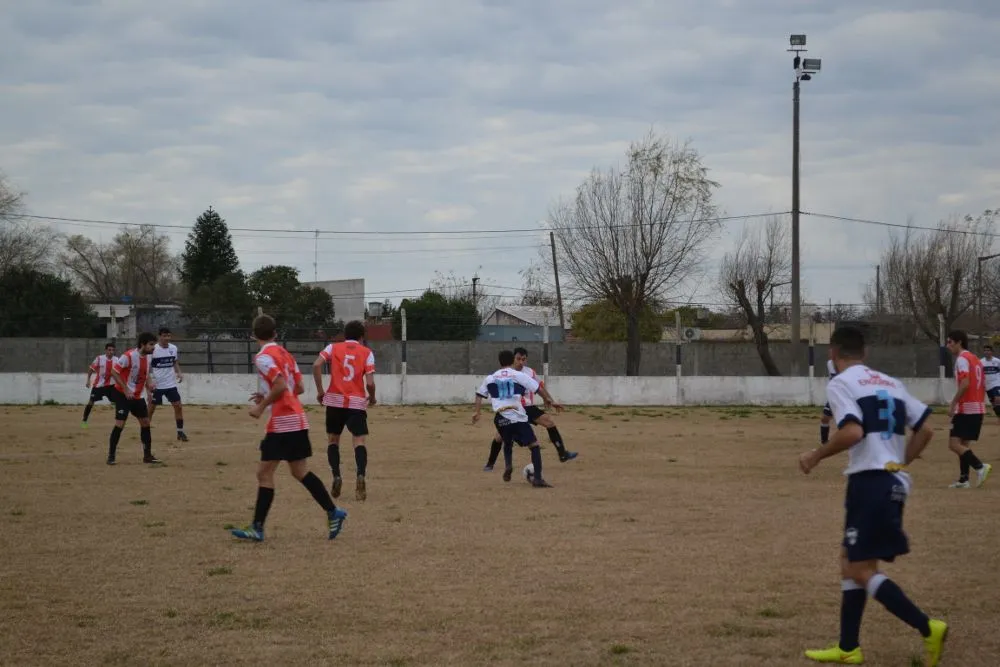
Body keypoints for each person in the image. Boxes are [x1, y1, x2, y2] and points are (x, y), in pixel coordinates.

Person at [799, 326, 948, 666]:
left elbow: (852, 431)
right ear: (864, 353)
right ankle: (848, 647)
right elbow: (926, 428)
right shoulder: (891, 383)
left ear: (832, 353)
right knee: (850, 560)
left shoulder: (841, 383)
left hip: (869, 482)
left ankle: (928, 627)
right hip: (891, 481)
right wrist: (901, 461)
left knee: (859, 567)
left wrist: (816, 455)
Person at [230, 314, 347, 542]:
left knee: (264, 473)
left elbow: (281, 386)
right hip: (297, 418)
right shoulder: (285, 354)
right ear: (275, 333)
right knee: (299, 471)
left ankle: (257, 528)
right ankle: (333, 512)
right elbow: (298, 387)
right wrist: (268, 394)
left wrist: (261, 406)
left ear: (253, 335)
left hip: (283, 422)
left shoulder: (263, 357)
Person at [311, 320, 376, 501]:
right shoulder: (367, 353)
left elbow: (316, 365)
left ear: (345, 335)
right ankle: (360, 475)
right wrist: (372, 397)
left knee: (333, 440)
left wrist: (320, 392)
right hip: (356, 402)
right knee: (359, 441)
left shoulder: (333, 347)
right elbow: (370, 383)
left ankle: (336, 475)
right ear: (361, 336)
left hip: (334, 400)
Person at [483, 346, 574, 471]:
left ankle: (562, 454)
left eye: (524, 359)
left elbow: (540, 387)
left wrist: (550, 400)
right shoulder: (505, 373)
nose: (521, 362)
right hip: (513, 409)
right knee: (499, 436)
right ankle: (490, 463)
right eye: (518, 359)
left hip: (528, 407)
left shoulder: (530, 372)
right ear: (512, 359)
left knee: (549, 422)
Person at [473, 349, 552, 488]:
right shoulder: (518, 375)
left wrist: (477, 412)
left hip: (500, 417)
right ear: (512, 361)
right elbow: (537, 388)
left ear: (499, 362)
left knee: (507, 441)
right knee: (534, 445)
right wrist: (547, 398)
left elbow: (479, 394)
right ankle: (538, 479)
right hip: (517, 415)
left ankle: (508, 465)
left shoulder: (491, 378)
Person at [944, 330, 993, 489]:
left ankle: (980, 466)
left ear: (959, 342)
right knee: (963, 444)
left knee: (953, 444)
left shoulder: (962, 359)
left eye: (950, 342)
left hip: (967, 408)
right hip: (977, 407)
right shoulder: (975, 359)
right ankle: (963, 479)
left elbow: (965, 383)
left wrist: (953, 403)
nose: (948, 345)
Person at [107, 333, 161, 465]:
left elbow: (146, 375)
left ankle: (147, 456)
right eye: (151, 344)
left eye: (154, 344)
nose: (153, 347)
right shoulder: (129, 355)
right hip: (122, 395)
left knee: (146, 422)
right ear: (143, 344)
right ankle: (111, 456)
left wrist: (149, 386)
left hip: (137, 396)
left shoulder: (148, 358)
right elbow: (114, 372)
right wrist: (126, 389)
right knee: (120, 423)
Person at [148, 327, 188, 442]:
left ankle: (180, 432)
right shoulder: (153, 349)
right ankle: (145, 430)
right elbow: (146, 367)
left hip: (170, 385)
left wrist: (179, 372)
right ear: (159, 336)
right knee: (151, 409)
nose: (167, 338)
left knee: (178, 406)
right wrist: (149, 382)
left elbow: (174, 361)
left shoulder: (173, 348)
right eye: (164, 336)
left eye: (168, 336)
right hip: (157, 385)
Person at [82, 342, 120, 428]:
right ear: (106, 350)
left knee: (119, 401)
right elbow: (91, 369)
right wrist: (88, 380)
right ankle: (84, 420)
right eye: (109, 350)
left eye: (113, 350)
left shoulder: (117, 360)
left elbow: (120, 372)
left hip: (112, 386)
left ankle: (119, 421)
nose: (111, 352)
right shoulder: (99, 358)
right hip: (99, 385)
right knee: (91, 402)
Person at [819, 358, 837, 444]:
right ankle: (824, 442)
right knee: (824, 418)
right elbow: (833, 378)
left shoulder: (849, 364)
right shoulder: (830, 363)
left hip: (845, 395)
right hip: (834, 396)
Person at [980, 344, 1000, 424]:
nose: (986, 352)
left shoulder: (997, 361)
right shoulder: (981, 362)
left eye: (988, 350)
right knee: (993, 403)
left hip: (996, 383)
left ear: (992, 352)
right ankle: (999, 416)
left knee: (997, 398)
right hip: (987, 385)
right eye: (985, 350)